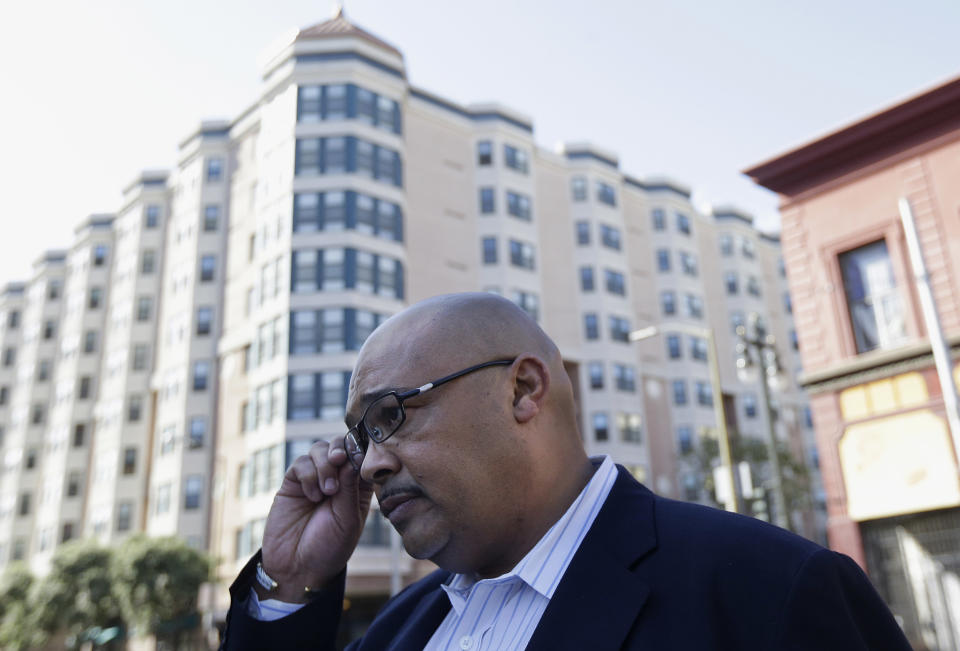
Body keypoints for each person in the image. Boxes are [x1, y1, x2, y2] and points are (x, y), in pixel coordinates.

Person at [220, 292, 911, 650]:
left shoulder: (769, 594)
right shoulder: (401, 628)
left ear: (523, 390)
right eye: (359, 434)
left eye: (392, 414)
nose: (369, 462)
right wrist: (292, 584)